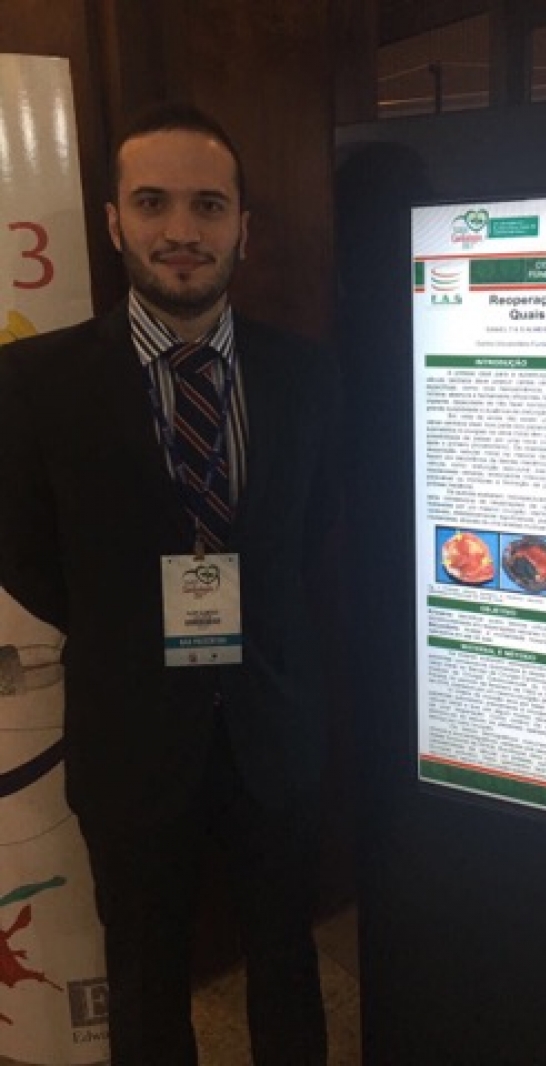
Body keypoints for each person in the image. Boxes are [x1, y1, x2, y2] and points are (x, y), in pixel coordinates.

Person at [0, 102, 339, 1065]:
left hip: (274, 730)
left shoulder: (308, 376)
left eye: (208, 205)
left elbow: (316, 533)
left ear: (243, 228)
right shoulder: (31, 385)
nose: (181, 230)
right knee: (146, 987)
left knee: (287, 964)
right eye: (153, 203)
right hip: (130, 739)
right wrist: (123, 620)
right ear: (114, 222)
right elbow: (24, 552)